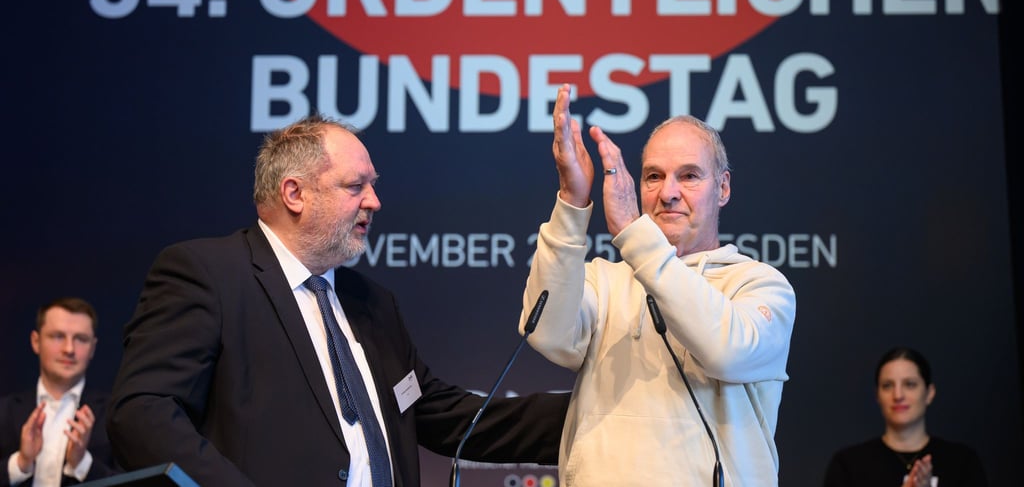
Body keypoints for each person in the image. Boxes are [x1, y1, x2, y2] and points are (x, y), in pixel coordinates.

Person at [105, 113, 567, 487]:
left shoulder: (372, 303)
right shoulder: (210, 274)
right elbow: (143, 413)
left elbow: (441, 416)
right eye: (355, 187)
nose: (375, 201)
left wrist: (591, 409)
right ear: (294, 193)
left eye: (373, 185)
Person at [520, 83, 797, 486]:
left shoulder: (759, 285)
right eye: (654, 176)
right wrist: (572, 202)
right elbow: (545, 333)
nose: (668, 193)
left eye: (689, 176)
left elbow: (725, 353)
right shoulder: (606, 280)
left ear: (723, 188)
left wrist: (636, 236)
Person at [823, 346, 988, 487]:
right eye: (887, 386)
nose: (898, 395)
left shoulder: (962, 462)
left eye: (910, 384)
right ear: (877, 395)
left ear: (929, 393)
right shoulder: (849, 465)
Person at [0, 297, 119, 486]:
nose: (69, 349)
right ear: (36, 341)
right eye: (58, 336)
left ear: (93, 348)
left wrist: (82, 463)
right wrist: (20, 463)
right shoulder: (4, 411)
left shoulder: (115, 415)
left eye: (81, 339)